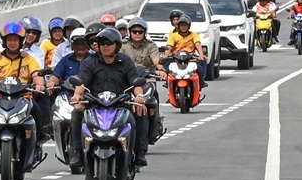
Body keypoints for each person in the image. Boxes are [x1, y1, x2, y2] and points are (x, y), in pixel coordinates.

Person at [68, 28, 149, 168]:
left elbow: (135, 81)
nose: (104, 46)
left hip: (121, 103)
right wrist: (77, 96)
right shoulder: (90, 62)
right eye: (101, 43)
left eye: (108, 43)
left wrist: (139, 97)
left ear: (116, 45)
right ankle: (78, 153)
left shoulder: (125, 61)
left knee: (140, 112)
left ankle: (139, 153)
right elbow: (81, 81)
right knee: (76, 114)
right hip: (95, 103)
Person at [0, 22, 45, 142]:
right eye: (9, 40)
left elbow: (36, 74)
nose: (12, 43)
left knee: (37, 110)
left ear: (20, 42)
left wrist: (39, 84)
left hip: (23, 96)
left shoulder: (28, 58)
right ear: (4, 41)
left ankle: (39, 136)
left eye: (15, 40)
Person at [120, 18, 164, 145]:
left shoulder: (151, 46)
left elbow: (156, 60)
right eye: (134, 31)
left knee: (152, 102)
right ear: (129, 32)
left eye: (140, 31)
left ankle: (153, 128)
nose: (137, 34)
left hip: (146, 80)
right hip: (127, 81)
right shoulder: (123, 45)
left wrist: (161, 69)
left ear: (145, 32)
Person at [166, 15, 207, 88]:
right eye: (181, 25)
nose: (183, 27)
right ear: (178, 26)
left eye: (185, 25)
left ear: (189, 26)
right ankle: (168, 83)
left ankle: (201, 82)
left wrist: (201, 54)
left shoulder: (194, 34)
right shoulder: (173, 35)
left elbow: (197, 44)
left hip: (190, 58)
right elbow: (169, 47)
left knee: (200, 68)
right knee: (167, 68)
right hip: (176, 58)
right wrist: (165, 56)